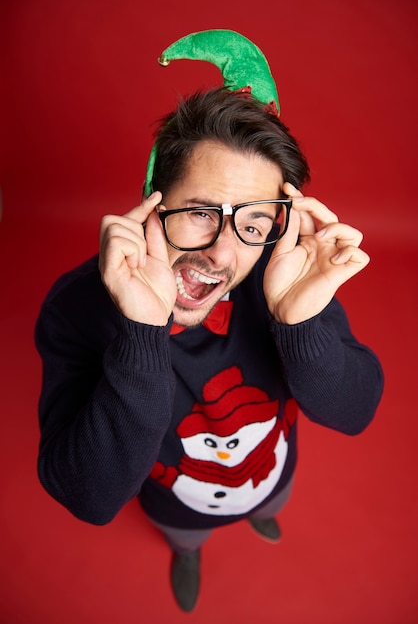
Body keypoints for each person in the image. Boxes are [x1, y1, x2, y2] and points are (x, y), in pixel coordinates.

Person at [35, 30, 384, 612]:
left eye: (252, 223)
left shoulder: (283, 281)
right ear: (152, 201)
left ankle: (263, 515)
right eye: (201, 213)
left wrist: (300, 324)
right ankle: (189, 550)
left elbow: (355, 412)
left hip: (274, 472)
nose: (223, 253)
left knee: (270, 502)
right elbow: (88, 496)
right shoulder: (73, 308)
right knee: (187, 532)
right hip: (177, 504)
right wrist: (143, 331)